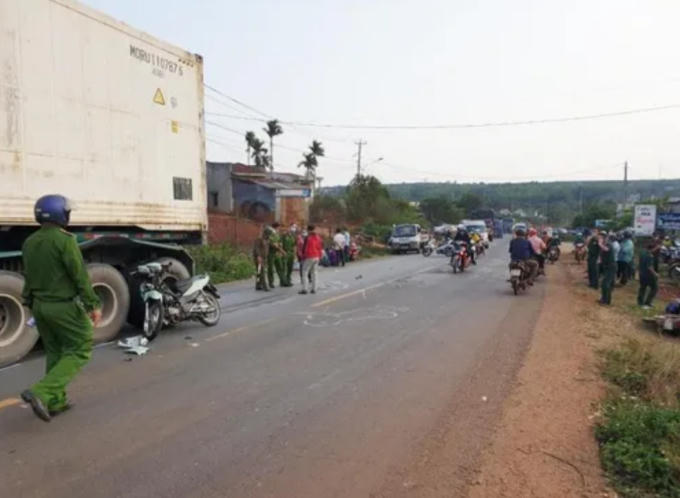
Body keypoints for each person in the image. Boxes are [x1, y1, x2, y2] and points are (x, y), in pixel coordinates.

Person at [20, 195, 102, 422]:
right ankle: (41, 392)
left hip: (40, 307)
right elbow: (79, 275)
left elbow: (29, 276)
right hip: (62, 306)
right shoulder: (65, 240)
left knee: (55, 351)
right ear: (60, 214)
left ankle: (56, 402)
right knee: (81, 347)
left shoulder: (30, 242)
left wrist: (29, 302)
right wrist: (93, 304)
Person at [300, 225, 323, 295]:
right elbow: (320, 247)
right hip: (317, 256)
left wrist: (303, 256)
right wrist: (320, 256)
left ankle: (304, 289)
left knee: (305, 272)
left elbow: (304, 248)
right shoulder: (318, 237)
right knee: (314, 273)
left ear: (308, 230)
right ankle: (314, 288)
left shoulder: (308, 237)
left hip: (309, 256)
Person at [637, 242, 659, 309]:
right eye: (655, 249)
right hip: (648, 275)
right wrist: (655, 274)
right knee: (655, 288)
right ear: (653, 248)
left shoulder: (642, 253)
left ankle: (640, 302)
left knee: (642, 288)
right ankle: (648, 302)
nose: (656, 250)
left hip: (641, 273)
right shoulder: (650, 255)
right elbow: (649, 267)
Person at [599, 232, 617, 305]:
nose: (599, 239)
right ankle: (605, 299)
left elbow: (606, 249)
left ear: (604, 238)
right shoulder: (605, 244)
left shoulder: (608, 244)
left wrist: (600, 244)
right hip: (607, 266)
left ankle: (605, 300)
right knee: (606, 284)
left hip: (611, 267)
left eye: (600, 237)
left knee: (605, 284)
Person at [267, 223, 285, 289]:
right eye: (279, 227)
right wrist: (281, 250)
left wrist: (280, 245)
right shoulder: (270, 234)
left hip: (277, 253)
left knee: (280, 267)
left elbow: (279, 242)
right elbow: (272, 244)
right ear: (276, 227)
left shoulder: (277, 234)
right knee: (271, 268)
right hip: (271, 253)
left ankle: (282, 281)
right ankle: (271, 282)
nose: (279, 229)